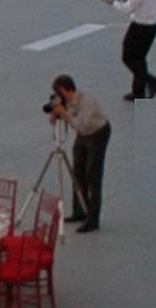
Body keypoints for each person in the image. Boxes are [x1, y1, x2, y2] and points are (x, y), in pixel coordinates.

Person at [46, 75, 110, 233]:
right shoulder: (67, 101)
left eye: (59, 92)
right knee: (78, 172)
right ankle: (79, 211)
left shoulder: (87, 101)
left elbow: (81, 126)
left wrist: (65, 114)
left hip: (97, 133)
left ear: (67, 90)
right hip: (83, 136)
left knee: (93, 175)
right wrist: (55, 114)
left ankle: (93, 219)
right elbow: (54, 121)